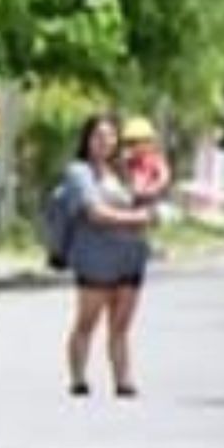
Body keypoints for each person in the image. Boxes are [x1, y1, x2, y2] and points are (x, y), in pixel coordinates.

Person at [60, 114, 157, 398]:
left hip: (130, 256)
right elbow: (94, 213)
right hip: (95, 259)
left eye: (110, 136)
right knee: (87, 321)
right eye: (98, 136)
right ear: (87, 140)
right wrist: (135, 218)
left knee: (121, 325)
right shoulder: (79, 172)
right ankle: (78, 378)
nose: (105, 142)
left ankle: (123, 380)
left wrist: (149, 204)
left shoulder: (125, 171)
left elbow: (148, 197)